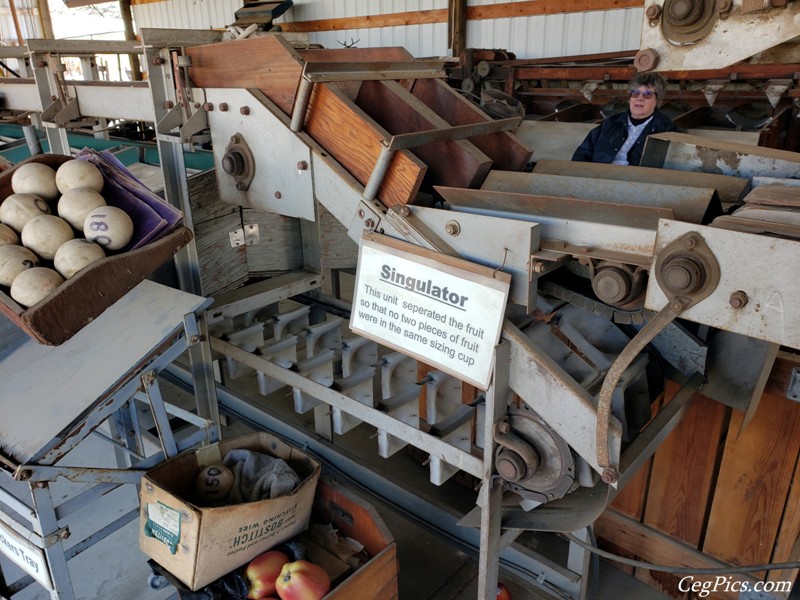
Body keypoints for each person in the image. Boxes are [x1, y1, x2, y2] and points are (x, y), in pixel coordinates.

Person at [571, 72, 677, 166]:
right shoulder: (610, 124)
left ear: (657, 100)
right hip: (600, 179)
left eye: (647, 94)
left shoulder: (667, 129)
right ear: (630, 98)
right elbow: (582, 154)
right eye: (635, 93)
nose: (639, 98)